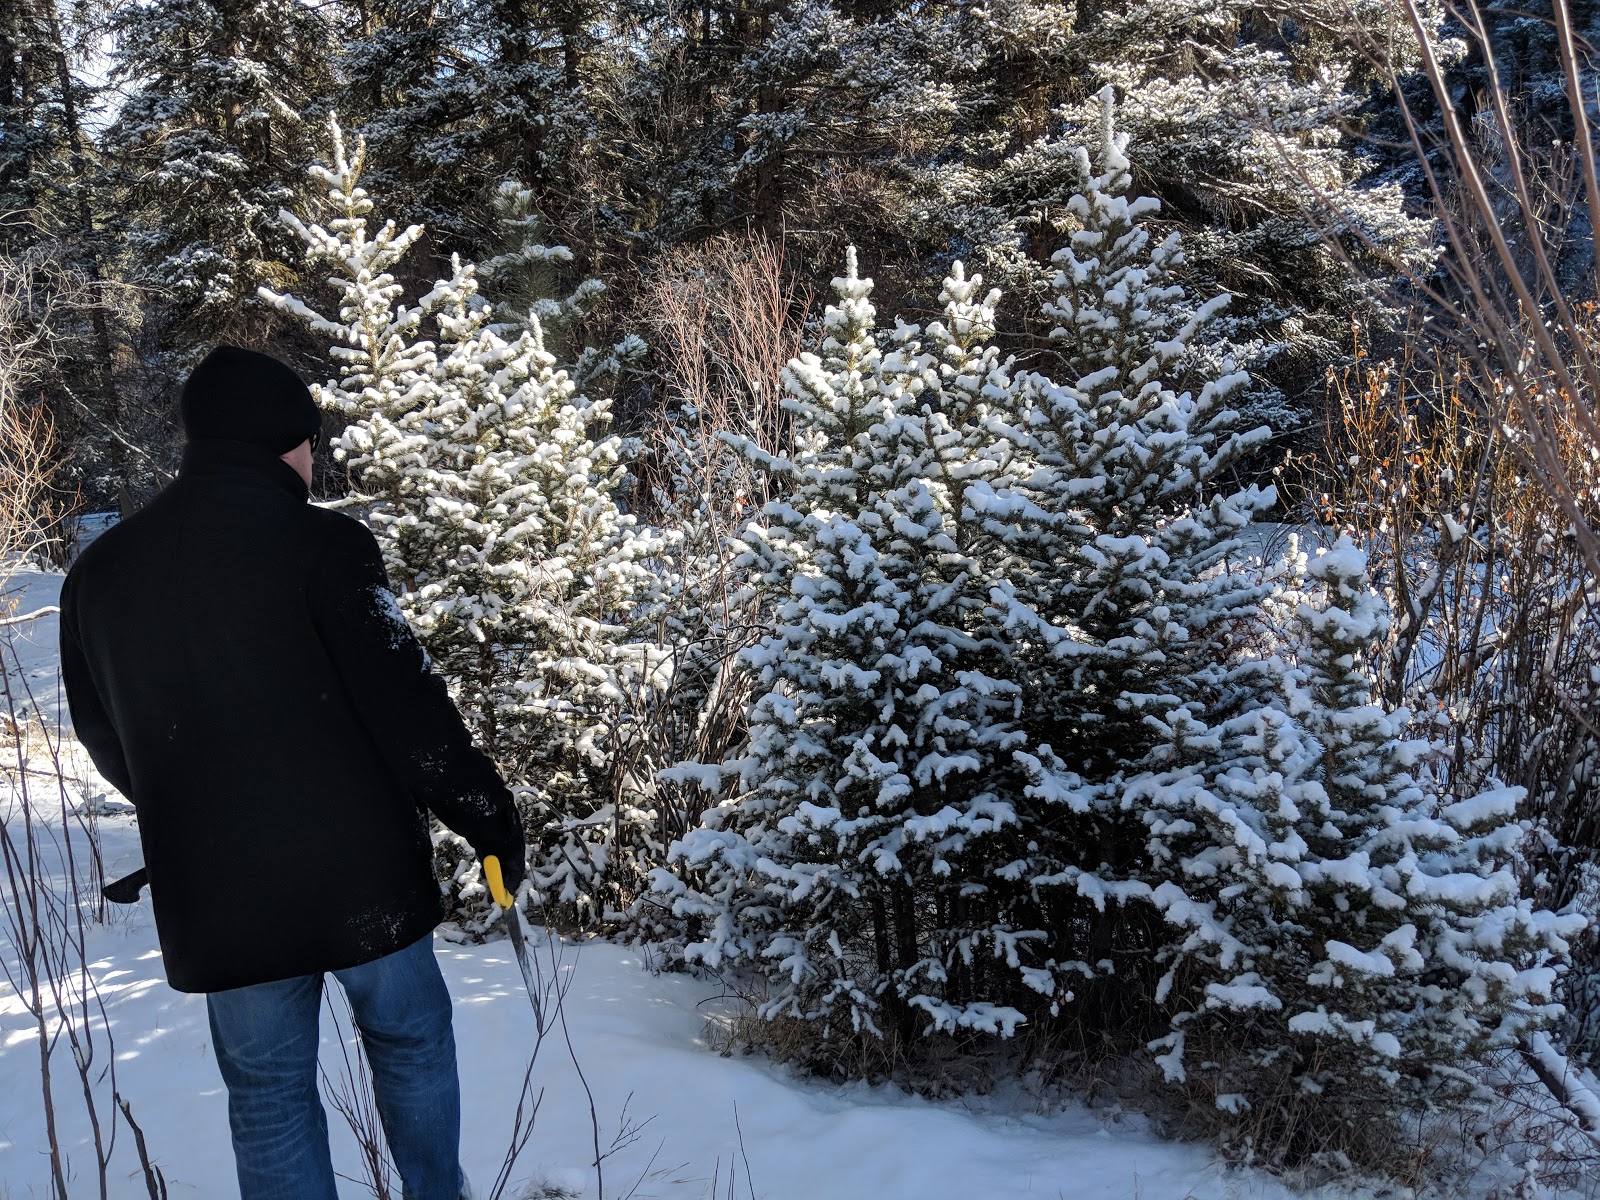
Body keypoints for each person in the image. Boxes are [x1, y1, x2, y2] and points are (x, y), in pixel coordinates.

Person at [59, 344, 525, 1200]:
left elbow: (103, 731)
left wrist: (191, 796)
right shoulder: (326, 545)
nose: (315, 459)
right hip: (362, 875)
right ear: (283, 440)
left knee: (269, 1097)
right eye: (310, 441)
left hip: (218, 891)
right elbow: (406, 702)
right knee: (412, 1045)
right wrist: (485, 811)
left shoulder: (101, 573)